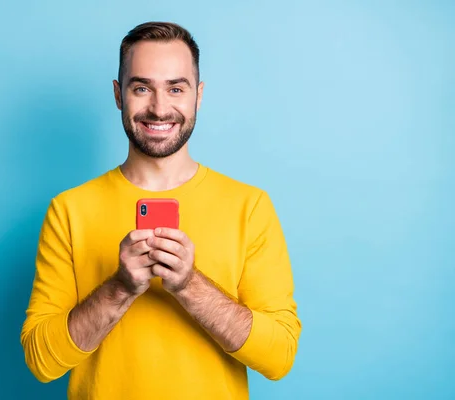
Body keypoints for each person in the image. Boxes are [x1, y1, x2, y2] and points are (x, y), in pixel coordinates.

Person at [20, 21, 302, 400]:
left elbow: (279, 356)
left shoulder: (249, 207)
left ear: (198, 95)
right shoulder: (69, 210)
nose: (159, 108)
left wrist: (189, 285)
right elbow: (42, 361)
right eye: (141, 88)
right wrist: (121, 287)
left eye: (175, 88)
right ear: (119, 95)